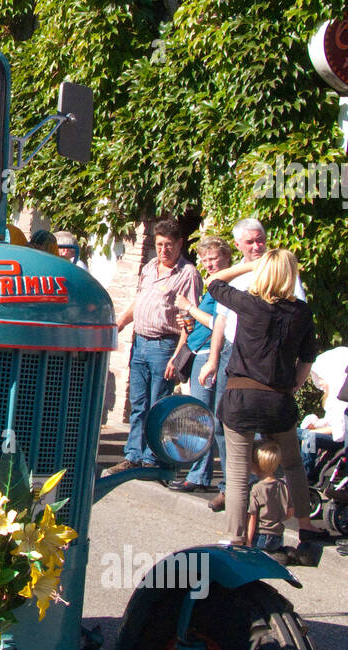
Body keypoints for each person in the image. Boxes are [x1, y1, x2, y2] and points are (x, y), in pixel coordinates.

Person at [206, 249, 322, 562]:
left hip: (241, 396)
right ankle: (307, 529)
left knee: (239, 471)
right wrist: (293, 385)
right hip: (278, 399)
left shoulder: (251, 303)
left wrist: (250, 264)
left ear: (264, 272)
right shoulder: (301, 312)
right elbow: (308, 356)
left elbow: (213, 282)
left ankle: (237, 539)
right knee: (293, 464)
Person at [199, 217, 304, 511]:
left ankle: (262, 497)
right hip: (233, 355)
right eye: (250, 242)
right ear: (238, 245)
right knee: (224, 427)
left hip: (263, 361)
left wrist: (291, 382)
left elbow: (298, 321)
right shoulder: (239, 277)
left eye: (261, 240)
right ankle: (233, 489)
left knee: (260, 438)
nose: (257, 246)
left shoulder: (285, 276)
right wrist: (213, 358)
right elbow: (221, 319)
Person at [105, 219, 202, 474]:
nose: (163, 250)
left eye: (169, 245)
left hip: (164, 346)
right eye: (159, 244)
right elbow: (139, 301)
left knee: (157, 405)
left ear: (180, 244)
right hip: (140, 343)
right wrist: (121, 324)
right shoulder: (149, 267)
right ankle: (133, 455)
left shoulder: (187, 274)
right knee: (138, 404)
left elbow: (188, 321)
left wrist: (177, 357)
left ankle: (152, 458)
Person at [169, 235, 233, 492]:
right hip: (200, 352)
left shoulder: (227, 285)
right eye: (205, 259)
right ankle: (200, 475)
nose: (209, 263)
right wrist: (189, 321)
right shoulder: (214, 284)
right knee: (203, 418)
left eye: (214, 258)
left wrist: (189, 307)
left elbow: (220, 323)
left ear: (227, 257)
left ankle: (215, 479)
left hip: (211, 356)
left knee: (210, 420)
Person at [299, 346, 348, 480]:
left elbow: (339, 430)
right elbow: (330, 421)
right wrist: (315, 424)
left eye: (322, 377)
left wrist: (314, 431)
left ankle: (305, 474)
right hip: (331, 435)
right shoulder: (333, 399)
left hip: (338, 440)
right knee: (293, 432)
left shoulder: (342, 401)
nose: (320, 382)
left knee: (308, 437)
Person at [246, 439, 293, 554]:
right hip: (278, 534)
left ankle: (274, 556)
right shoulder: (283, 485)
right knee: (273, 553)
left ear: (255, 465)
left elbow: (252, 517)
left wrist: (247, 542)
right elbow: (289, 513)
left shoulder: (256, 488)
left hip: (260, 534)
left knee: (258, 559)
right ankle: (281, 553)